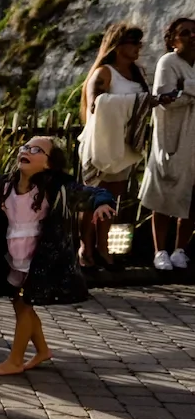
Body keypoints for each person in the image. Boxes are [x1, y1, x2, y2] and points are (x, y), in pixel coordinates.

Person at [0, 136, 116, 376]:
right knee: (19, 303)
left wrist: (101, 203)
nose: (27, 150)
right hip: (13, 257)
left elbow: (92, 192)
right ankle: (43, 350)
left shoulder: (57, 187)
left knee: (25, 306)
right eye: (25, 147)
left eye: (36, 150)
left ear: (49, 164)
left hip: (41, 259)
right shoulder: (4, 184)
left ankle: (15, 361)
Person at [76, 23, 150, 268]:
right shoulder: (104, 72)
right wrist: (136, 101)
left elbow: (145, 102)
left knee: (111, 199)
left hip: (124, 145)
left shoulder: (138, 74)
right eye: (133, 42)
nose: (138, 47)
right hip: (101, 143)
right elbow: (97, 104)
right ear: (119, 46)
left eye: (139, 42)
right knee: (91, 198)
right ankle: (85, 247)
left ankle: (103, 246)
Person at [138, 17, 195, 269]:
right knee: (163, 192)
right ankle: (160, 250)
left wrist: (187, 87)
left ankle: (180, 249)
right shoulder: (168, 62)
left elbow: (181, 94)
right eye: (185, 33)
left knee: (192, 196)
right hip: (171, 136)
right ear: (173, 39)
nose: (192, 36)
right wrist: (184, 93)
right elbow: (166, 98)